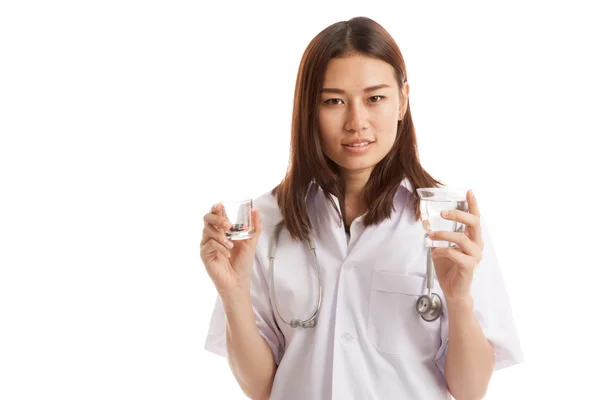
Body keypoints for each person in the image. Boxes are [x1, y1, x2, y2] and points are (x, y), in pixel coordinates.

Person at [200, 16, 523, 400]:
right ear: (309, 109)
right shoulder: (264, 221)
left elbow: (470, 391)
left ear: (402, 101)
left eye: (375, 98)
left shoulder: (450, 224)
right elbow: (261, 387)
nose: (357, 122)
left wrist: (458, 299)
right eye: (333, 101)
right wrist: (233, 293)